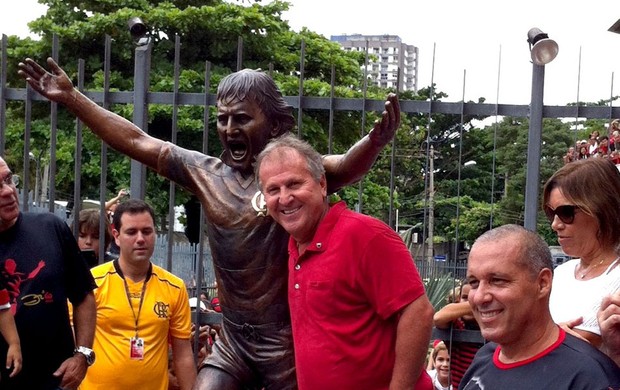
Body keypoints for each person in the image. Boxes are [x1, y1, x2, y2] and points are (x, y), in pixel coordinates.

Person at [18, 57, 400, 390]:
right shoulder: (206, 173)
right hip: (233, 340)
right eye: (223, 119)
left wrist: (375, 141)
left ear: (274, 124)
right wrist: (72, 98)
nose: (230, 129)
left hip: (287, 342)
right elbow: (136, 140)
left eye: (243, 119)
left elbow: (343, 166)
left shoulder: (287, 175)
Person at [255, 133, 434, 389]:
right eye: (273, 189)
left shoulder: (364, 235)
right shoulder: (294, 246)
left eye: (294, 184)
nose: (284, 198)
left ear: (322, 185)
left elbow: (418, 312)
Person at [460, 224, 620, 389]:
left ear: (543, 283)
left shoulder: (589, 377)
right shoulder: (483, 359)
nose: (480, 297)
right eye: (474, 283)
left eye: (497, 280)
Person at [0, 156, 97, 389]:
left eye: (8, 179)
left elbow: (83, 295)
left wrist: (82, 356)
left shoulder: (50, 228)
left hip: (55, 380)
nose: (8, 191)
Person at [81, 199, 196, 389]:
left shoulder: (174, 287)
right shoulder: (91, 283)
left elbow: (183, 356)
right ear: (116, 236)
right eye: (131, 232)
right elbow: (72, 346)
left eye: (147, 231)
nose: (140, 239)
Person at [542, 158, 620, 348]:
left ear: (601, 209)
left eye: (566, 212)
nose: (555, 225)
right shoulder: (561, 273)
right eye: (551, 213)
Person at [433, 283, 482, 388]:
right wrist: (477, 304)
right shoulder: (457, 325)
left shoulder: (493, 327)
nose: (470, 301)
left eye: (475, 296)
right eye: (465, 297)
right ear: (458, 300)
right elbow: (438, 318)